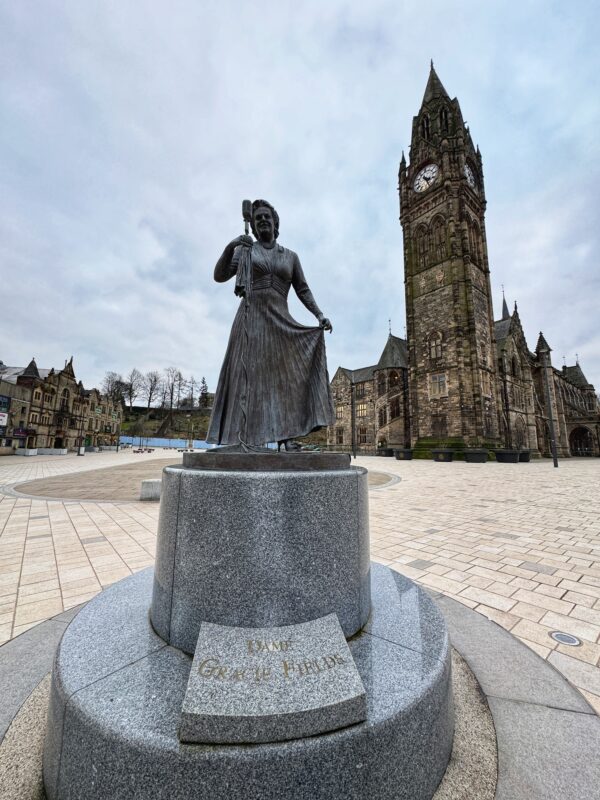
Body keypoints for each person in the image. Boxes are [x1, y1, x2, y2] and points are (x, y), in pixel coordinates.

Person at [207, 199, 334, 449]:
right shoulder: (246, 251)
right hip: (250, 319)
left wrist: (319, 315)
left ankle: (286, 439)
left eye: (267, 217)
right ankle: (241, 438)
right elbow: (219, 275)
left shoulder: (290, 257)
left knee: (286, 379)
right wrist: (232, 245)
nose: (262, 220)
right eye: (258, 219)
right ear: (253, 226)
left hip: (280, 321)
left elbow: (303, 289)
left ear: (276, 223)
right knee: (247, 378)